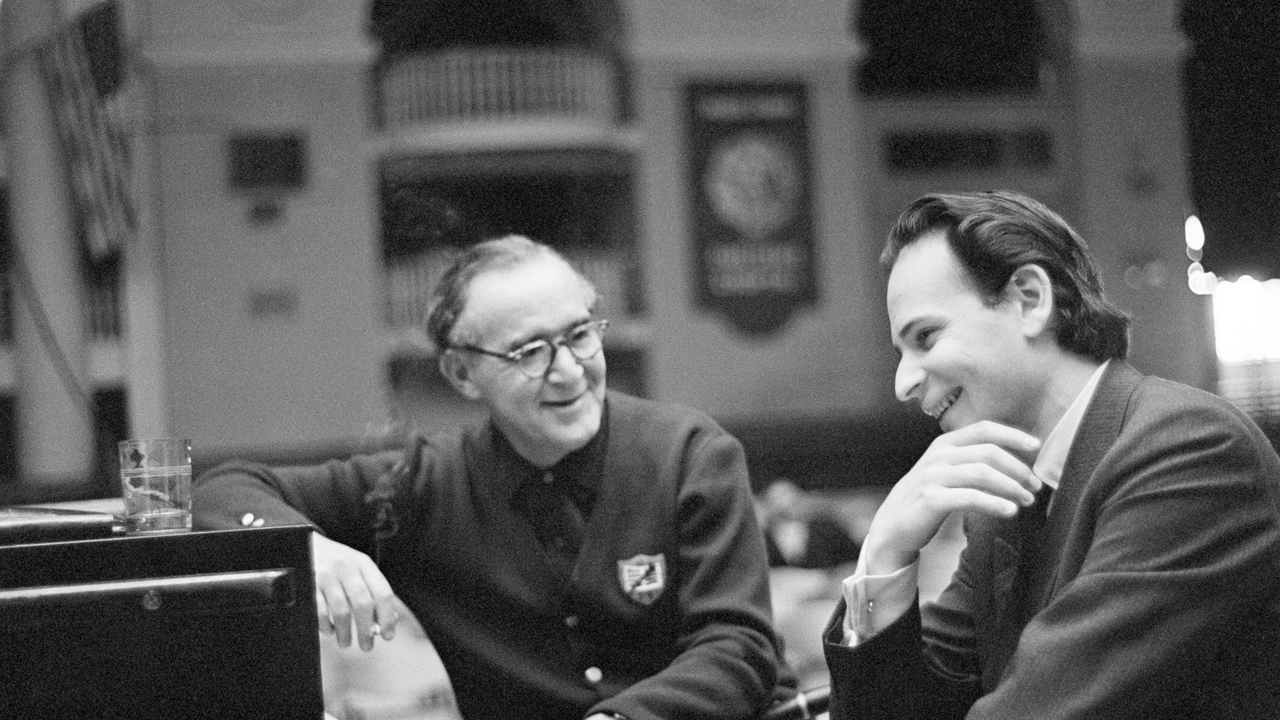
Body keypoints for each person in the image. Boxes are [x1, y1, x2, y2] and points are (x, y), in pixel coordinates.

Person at [193, 235, 789, 720]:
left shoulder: (690, 454)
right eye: (530, 352)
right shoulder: (418, 487)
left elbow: (739, 647)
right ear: (461, 374)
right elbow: (221, 489)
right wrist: (308, 547)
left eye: (580, 335)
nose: (569, 372)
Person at [822, 191, 1280, 719]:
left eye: (926, 336)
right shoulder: (1003, 504)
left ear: (1030, 299)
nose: (903, 383)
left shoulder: (1190, 450)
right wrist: (884, 553)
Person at [757, 479, 861, 571]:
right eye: (776, 498)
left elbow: (855, 558)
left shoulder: (828, 529)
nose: (784, 503)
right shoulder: (760, 539)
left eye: (788, 496)